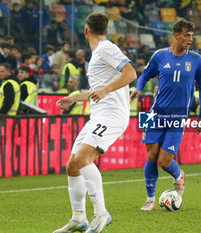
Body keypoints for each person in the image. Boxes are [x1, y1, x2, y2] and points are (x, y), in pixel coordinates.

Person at [54, 12, 136, 233]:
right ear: (106, 29)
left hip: (111, 116)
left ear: (86, 30)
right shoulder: (99, 53)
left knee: (83, 158)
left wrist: (106, 89)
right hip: (98, 115)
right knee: (72, 165)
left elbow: (131, 73)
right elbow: (97, 91)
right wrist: (74, 98)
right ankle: (78, 218)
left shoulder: (106, 47)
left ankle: (101, 213)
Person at [130, 19, 201, 211]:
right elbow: (144, 75)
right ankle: (150, 199)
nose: (190, 39)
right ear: (176, 35)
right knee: (151, 155)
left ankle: (178, 175)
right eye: (186, 35)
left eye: (192, 36)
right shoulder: (159, 56)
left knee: (164, 161)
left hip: (178, 117)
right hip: (154, 114)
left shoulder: (196, 60)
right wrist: (139, 89)